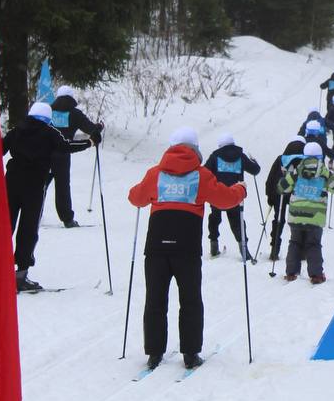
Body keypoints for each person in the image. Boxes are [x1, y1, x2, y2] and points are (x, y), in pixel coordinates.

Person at [128, 127, 246, 371]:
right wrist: (240, 190)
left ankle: (154, 352)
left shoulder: (155, 174)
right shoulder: (201, 176)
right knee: (190, 300)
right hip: (187, 248)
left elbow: (136, 198)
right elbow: (225, 199)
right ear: (196, 150)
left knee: (155, 300)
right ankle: (190, 354)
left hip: (156, 248)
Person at [3, 102, 91, 292]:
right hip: (34, 187)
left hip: (10, 184)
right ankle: (21, 274)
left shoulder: (16, 130)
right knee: (28, 227)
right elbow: (66, 146)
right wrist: (89, 142)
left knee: (4, 225)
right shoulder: (49, 132)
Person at [277, 142, 334, 283]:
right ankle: (316, 275)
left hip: (295, 215)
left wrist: (285, 177)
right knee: (313, 244)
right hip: (315, 216)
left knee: (294, 242)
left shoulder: (297, 171)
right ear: (320, 156)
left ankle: (291, 272)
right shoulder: (324, 173)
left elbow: (281, 188)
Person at [48, 86, 104, 229]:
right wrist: (98, 128)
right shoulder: (74, 113)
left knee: (40, 185)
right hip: (63, 154)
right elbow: (89, 128)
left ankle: (34, 215)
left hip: (45, 154)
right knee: (62, 187)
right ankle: (67, 219)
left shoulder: (49, 111)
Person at [203, 134, 260, 260]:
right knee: (238, 222)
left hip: (217, 193)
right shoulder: (240, 156)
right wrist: (254, 161)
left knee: (214, 218)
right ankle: (244, 250)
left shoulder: (215, 156)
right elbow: (255, 170)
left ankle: (214, 246)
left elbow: (204, 172)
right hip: (235, 195)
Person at [264, 140, 306, 261]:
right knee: (299, 221)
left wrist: (270, 196)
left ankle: (274, 248)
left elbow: (271, 178)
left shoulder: (280, 159)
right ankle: (301, 250)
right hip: (297, 193)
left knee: (279, 220)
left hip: (280, 192)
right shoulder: (305, 160)